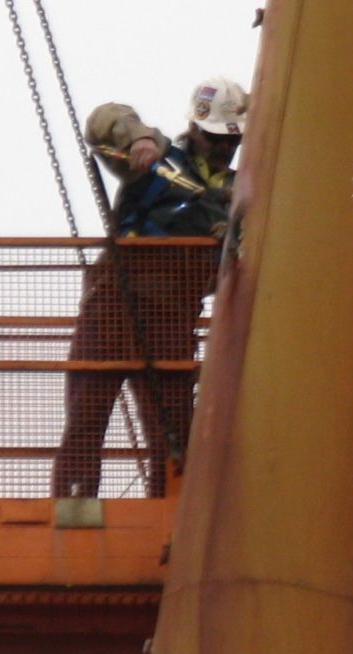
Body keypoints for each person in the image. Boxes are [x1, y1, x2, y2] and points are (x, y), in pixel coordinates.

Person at [52, 76, 248, 499]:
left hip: (172, 317)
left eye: (231, 141)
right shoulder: (160, 160)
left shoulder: (240, 193)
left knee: (173, 430)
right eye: (215, 138)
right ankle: (73, 511)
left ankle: (168, 513)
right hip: (114, 305)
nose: (223, 148)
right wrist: (138, 139)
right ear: (195, 129)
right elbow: (104, 120)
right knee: (87, 413)